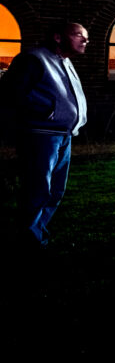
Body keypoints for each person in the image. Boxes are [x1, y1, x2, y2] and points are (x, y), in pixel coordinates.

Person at [0, 21, 89, 250]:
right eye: (79, 35)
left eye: (86, 36)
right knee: (37, 189)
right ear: (58, 37)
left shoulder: (65, 61)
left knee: (55, 190)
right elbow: (10, 93)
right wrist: (45, 111)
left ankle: (37, 234)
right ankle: (28, 241)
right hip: (41, 136)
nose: (85, 40)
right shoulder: (33, 59)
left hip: (63, 135)